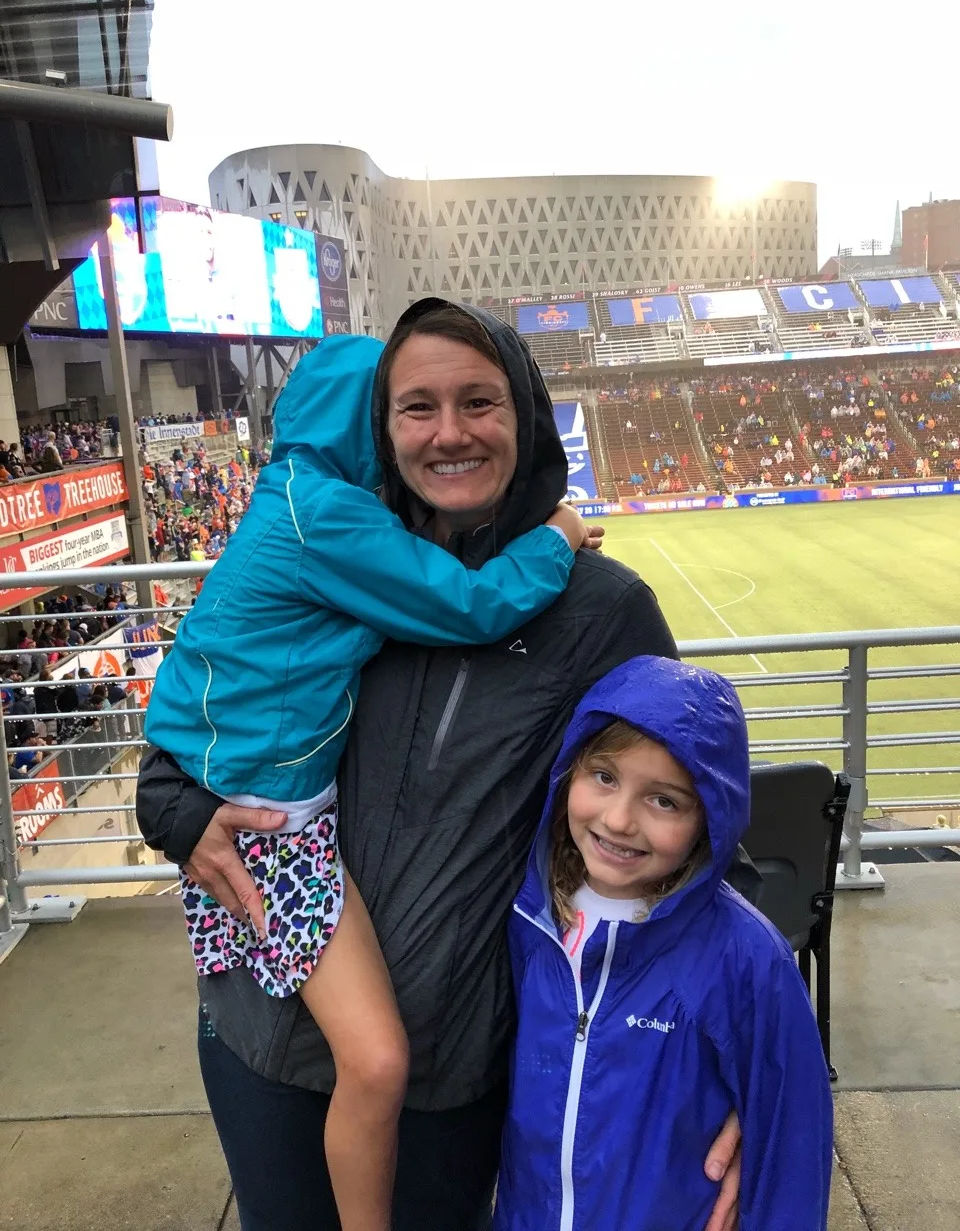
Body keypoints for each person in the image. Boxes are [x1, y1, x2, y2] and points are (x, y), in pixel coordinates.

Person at [137, 301, 754, 1231]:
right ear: (382, 430)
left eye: (480, 401)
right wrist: (170, 809)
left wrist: (750, 1067)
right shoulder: (336, 553)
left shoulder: (600, 609)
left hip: (443, 1070)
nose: (450, 432)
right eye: (416, 407)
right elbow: (212, 704)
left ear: (528, 412)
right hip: (258, 1034)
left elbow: (704, 831)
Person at [493, 655, 833, 1229]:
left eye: (665, 801)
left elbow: (791, 1145)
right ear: (568, 774)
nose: (620, 819)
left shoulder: (747, 958)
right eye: (604, 777)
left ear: (712, 819)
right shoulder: (527, 919)